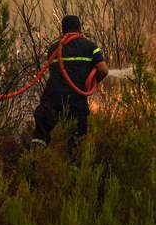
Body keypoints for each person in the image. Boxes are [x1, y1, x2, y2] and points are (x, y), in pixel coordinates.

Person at [31, 15, 109, 154]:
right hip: (76, 101)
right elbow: (103, 70)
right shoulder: (90, 47)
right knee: (77, 144)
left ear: (63, 30)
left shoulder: (53, 49)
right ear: (80, 28)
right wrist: (91, 82)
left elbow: (55, 72)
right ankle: (74, 170)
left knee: (41, 133)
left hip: (52, 99)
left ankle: (35, 163)